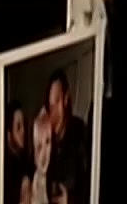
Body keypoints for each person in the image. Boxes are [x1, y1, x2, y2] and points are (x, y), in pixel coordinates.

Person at [43, 69, 90, 203]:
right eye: (50, 105)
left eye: (57, 101)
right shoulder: (48, 136)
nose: (53, 112)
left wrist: (70, 200)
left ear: (66, 99)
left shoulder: (80, 132)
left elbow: (91, 183)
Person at [3, 100, 30, 202]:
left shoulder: (25, 161)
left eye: (24, 124)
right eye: (18, 127)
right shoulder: (7, 169)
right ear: (9, 135)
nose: (23, 131)